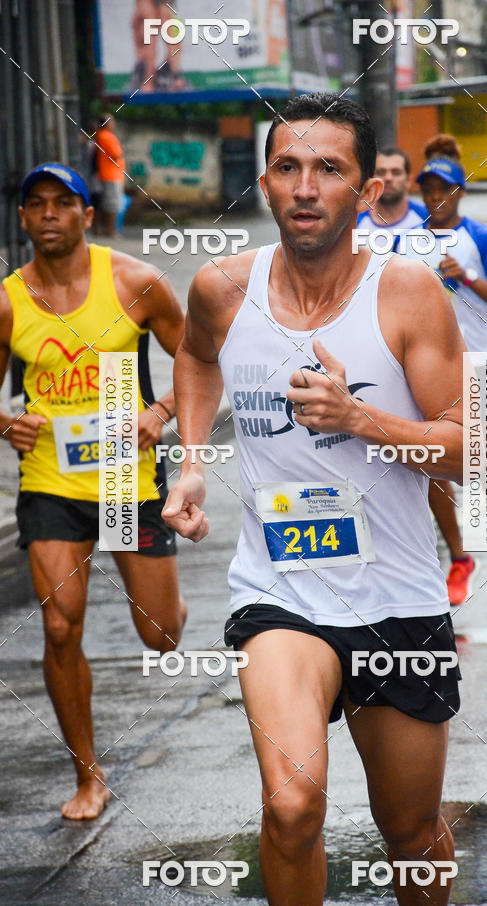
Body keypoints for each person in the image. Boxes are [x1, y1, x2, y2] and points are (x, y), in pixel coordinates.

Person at [163, 93, 464, 906]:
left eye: (328, 169)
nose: (304, 187)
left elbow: (469, 450)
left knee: (410, 827)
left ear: (367, 190)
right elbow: (196, 357)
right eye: (288, 168)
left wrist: (358, 418)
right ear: (265, 182)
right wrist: (191, 462)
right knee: (292, 807)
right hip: (281, 591)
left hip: (397, 596)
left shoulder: (407, 293)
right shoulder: (223, 287)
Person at [0, 163, 186, 819]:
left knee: (160, 635)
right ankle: (88, 775)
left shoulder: (136, 283)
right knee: (59, 624)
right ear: (23, 217)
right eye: (36, 204)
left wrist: (161, 411)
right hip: (50, 480)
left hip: (123, 475)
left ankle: (169, 604)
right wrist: (6, 423)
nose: (49, 213)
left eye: (62, 202)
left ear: (87, 214)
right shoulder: (8, 301)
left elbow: (203, 360)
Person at [402, 157, 487, 605]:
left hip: (477, 366)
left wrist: (468, 278)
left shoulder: (482, 238)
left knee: (480, 465)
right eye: (429, 188)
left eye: (445, 188)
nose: (436, 196)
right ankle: (459, 556)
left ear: (461, 192)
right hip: (419, 370)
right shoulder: (406, 242)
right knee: (428, 459)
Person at [355, 146, 427, 238]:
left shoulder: (427, 218)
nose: (388, 178)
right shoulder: (354, 220)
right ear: (371, 180)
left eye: (396, 172)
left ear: (408, 180)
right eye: (381, 172)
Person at [95, 113, 126, 238]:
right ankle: (110, 231)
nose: (114, 124)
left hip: (109, 174)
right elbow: (116, 154)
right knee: (112, 205)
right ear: (107, 124)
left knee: (108, 203)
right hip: (111, 175)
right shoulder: (107, 137)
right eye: (112, 121)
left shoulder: (100, 136)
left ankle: (106, 230)